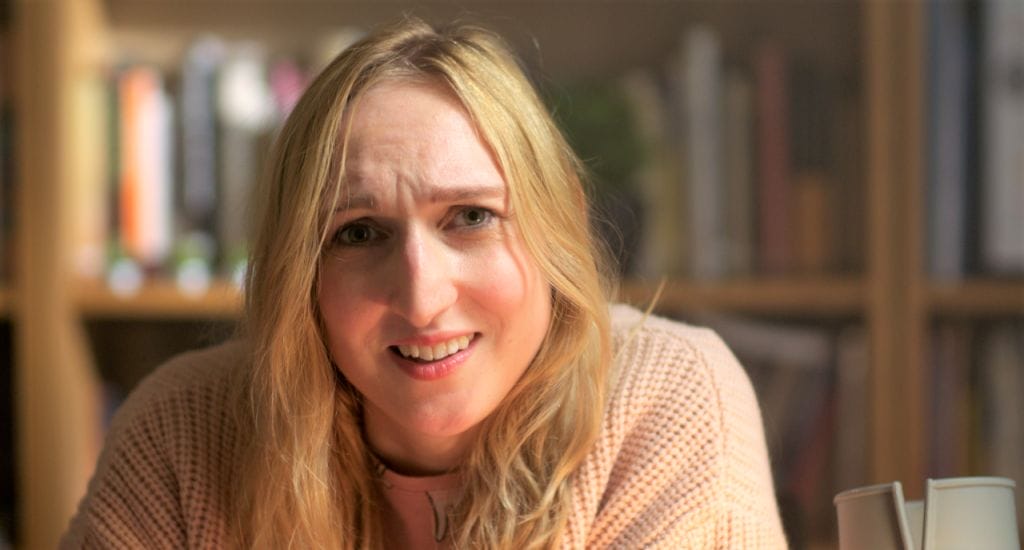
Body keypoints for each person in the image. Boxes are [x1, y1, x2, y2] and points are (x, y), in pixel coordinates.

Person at [62, 17, 786, 549]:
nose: (421, 297)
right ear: (299, 272)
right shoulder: (184, 430)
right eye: (358, 232)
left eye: (471, 217)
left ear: (556, 220)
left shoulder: (669, 397)